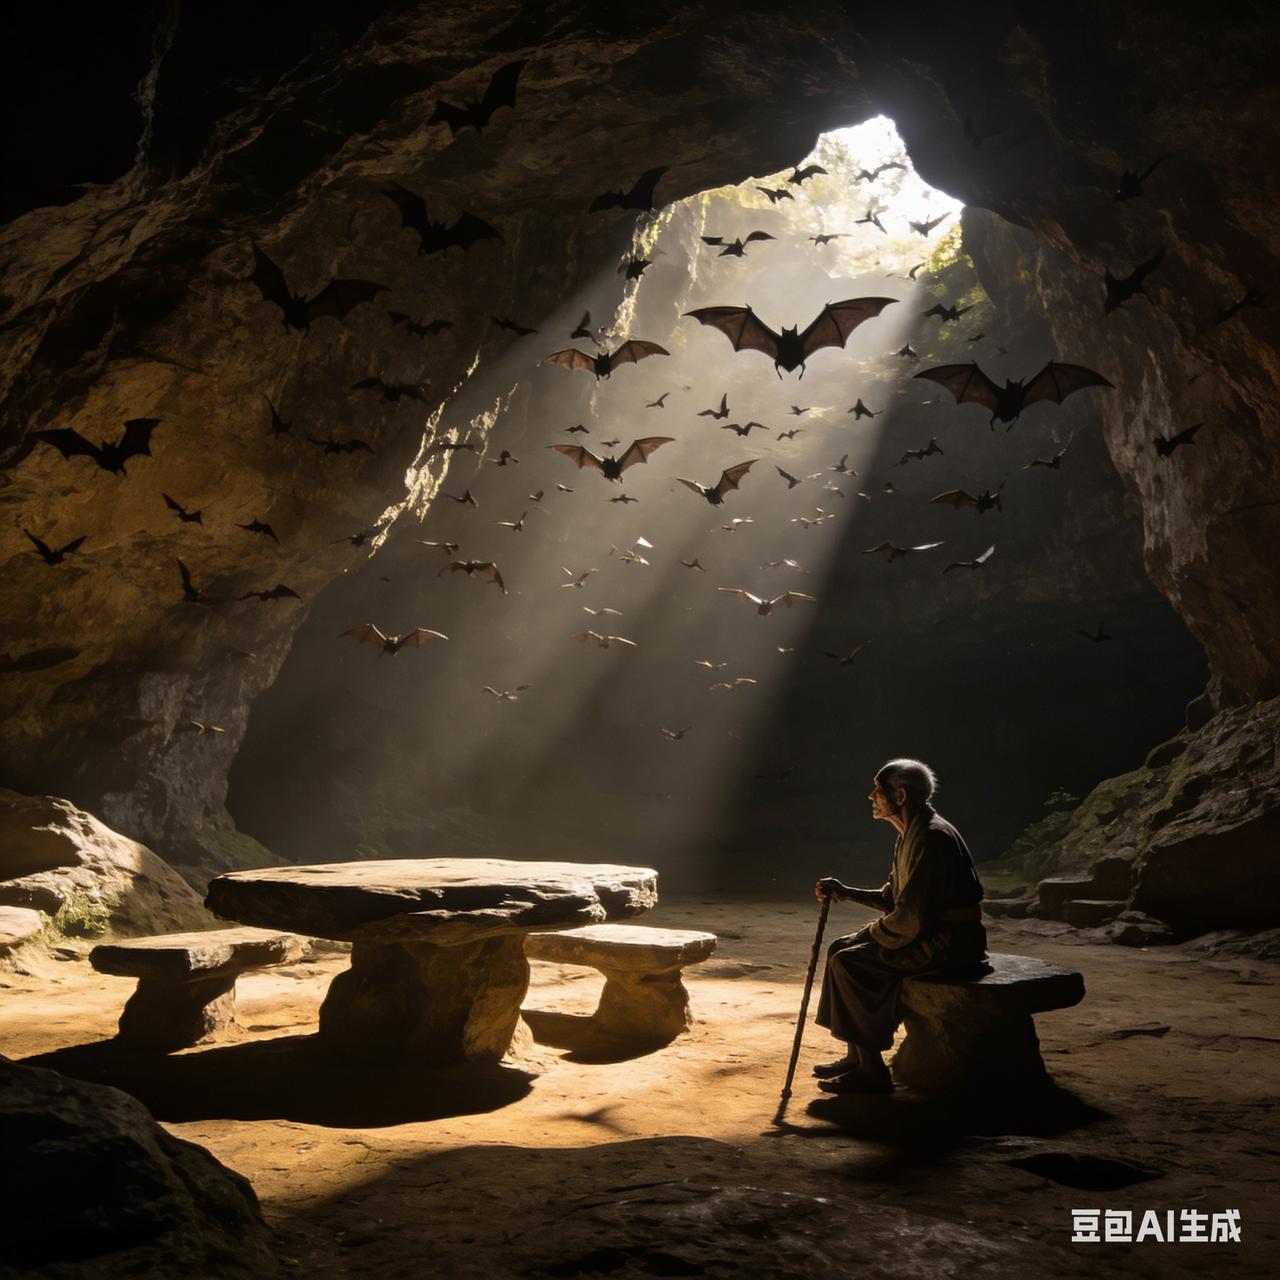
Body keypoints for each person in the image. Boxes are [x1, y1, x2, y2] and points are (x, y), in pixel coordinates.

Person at [812, 757, 988, 1093]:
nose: (871, 797)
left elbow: (911, 917)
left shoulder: (932, 838)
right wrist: (845, 891)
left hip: (950, 942)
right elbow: (893, 898)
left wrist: (870, 933)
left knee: (849, 962)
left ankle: (872, 1071)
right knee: (839, 948)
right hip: (928, 932)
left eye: (878, 789)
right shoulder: (910, 833)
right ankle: (856, 1056)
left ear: (901, 795)